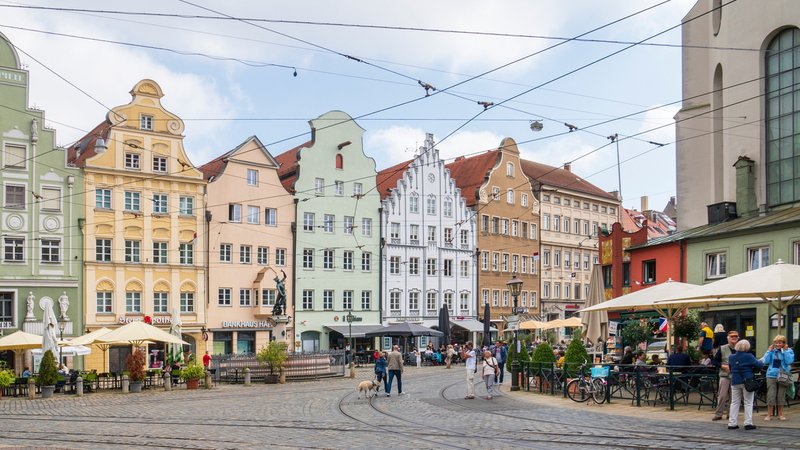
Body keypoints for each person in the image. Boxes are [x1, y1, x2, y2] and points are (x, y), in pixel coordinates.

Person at [728, 338, 763, 430]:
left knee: (734, 403)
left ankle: (732, 423)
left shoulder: (731, 357)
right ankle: (748, 423)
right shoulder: (749, 356)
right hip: (747, 381)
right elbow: (759, 365)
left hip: (735, 381)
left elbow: (730, 368)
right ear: (747, 347)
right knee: (748, 402)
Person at [760, 334, 794, 421]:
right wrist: (769, 351)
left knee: (781, 395)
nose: (778, 344)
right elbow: (766, 361)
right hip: (771, 375)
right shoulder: (772, 351)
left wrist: (785, 351)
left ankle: (780, 414)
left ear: (784, 343)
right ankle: (769, 414)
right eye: (776, 343)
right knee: (771, 395)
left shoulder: (788, 350)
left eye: (780, 343)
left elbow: (789, 361)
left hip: (783, 375)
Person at [712, 331, 739, 421]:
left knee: (733, 396)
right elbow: (714, 361)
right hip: (724, 375)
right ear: (728, 338)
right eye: (732, 336)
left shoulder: (740, 348)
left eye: (736, 336)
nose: (734, 338)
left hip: (736, 375)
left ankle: (731, 414)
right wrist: (722, 366)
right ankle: (718, 414)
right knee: (722, 396)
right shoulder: (723, 348)